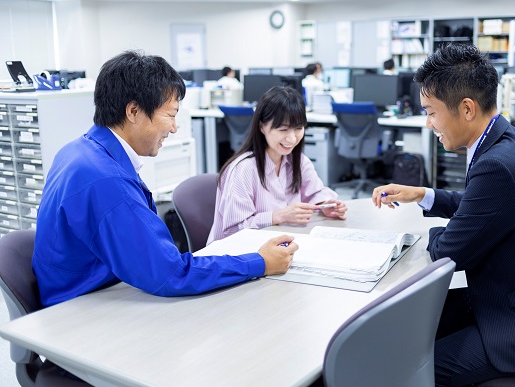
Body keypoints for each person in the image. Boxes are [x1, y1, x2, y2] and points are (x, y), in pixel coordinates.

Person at [372, 44, 515, 386]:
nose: (428, 122)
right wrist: (424, 195)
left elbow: (450, 252)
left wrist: (430, 235)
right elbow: (483, 204)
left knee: (410, 369)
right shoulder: (504, 139)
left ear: (466, 108)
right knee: (412, 325)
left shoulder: (498, 163)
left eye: (432, 112)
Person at [33, 50, 298, 308]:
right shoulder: (105, 180)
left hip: (100, 288)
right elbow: (171, 274)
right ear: (133, 111)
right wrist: (260, 262)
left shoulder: (81, 150)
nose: (174, 127)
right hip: (79, 312)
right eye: (170, 115)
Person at [207, 86, 347, 244]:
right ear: (261, 127)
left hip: (278, 247)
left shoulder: (299, 161)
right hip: (237, 256)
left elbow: (316, 192)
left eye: (298, 129)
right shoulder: (243, 169)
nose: (292, 139)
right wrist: (278, 216)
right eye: (283, 130)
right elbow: (233, 231)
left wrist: (324, 205)